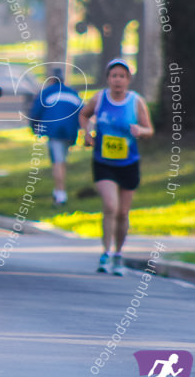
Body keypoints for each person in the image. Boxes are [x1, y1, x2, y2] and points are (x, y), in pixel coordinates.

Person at [78, 59, 153, 276]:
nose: (117, 80)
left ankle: (118, 254)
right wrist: (87, 132)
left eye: (122, 76)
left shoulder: (136, 102)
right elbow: (84, 114)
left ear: (128, 79)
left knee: (122, 212)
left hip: (129, 163)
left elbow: (149, 130)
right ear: (108, 78)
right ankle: (105, 253)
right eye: (114, 76)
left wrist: (140, 130)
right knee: (110, 206)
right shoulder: (100, 98)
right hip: (103, 162)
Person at [29, 68, 82, 206]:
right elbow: (82, 112)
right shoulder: (73, 93)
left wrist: (35, 129)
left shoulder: (46, 92)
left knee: (58, 162)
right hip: (70, 131)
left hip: (54, 131)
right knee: (62, 159)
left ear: (51, 79)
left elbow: (35, 113)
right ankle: (58, 190)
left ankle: (60, 193)